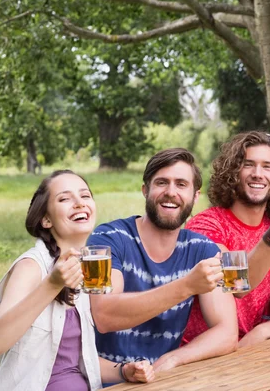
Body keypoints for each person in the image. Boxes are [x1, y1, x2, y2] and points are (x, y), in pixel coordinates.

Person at [0, 170, 154, 390]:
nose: (79, 203)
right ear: (46, 219)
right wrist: (52, 284)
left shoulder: (83, 269)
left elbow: (76, 362)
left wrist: (123, 370)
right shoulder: (30, 267)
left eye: (85, 196)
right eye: (65, 198)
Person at [87, 149, 238, 374]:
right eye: (161, 183)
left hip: (163, 379)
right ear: (145, 190)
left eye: (181, 184)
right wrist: (186, 286)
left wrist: (174, 358)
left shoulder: (202, 250)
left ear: (195, 196)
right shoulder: (107, 238)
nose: (170, 192)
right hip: (107, 379)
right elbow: (104, 316)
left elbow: (227, 333)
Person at [181, 131, 270, 348]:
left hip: (249, 349)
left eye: (267, 166)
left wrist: (264, 330)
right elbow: (237, 286)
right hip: (199, 352)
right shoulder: (207, 225)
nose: (258, 173)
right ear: (233, 173)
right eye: (248, 164)